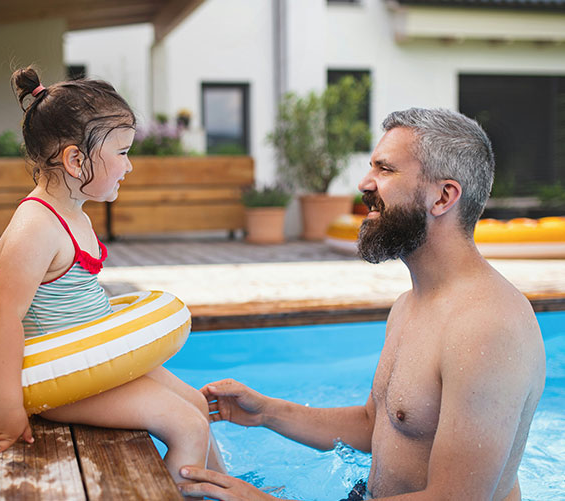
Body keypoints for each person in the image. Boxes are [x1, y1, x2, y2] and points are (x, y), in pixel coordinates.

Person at [178, 108, 545, 500]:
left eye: (385, 170)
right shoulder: (410, 304)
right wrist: (267, 412)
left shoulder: (487, 327)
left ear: (443, 197)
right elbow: (378, 424)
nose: (365, 183)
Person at [0, 66, 226, 484]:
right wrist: (8, 407)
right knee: (187, 426)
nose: (130, 166)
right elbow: (2, 316)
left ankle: (228, 491)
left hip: (95, 359)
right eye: (122, 153)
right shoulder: (36, 228)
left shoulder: (72, 213)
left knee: (195, 404)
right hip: (62, 378)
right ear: (75, 159)